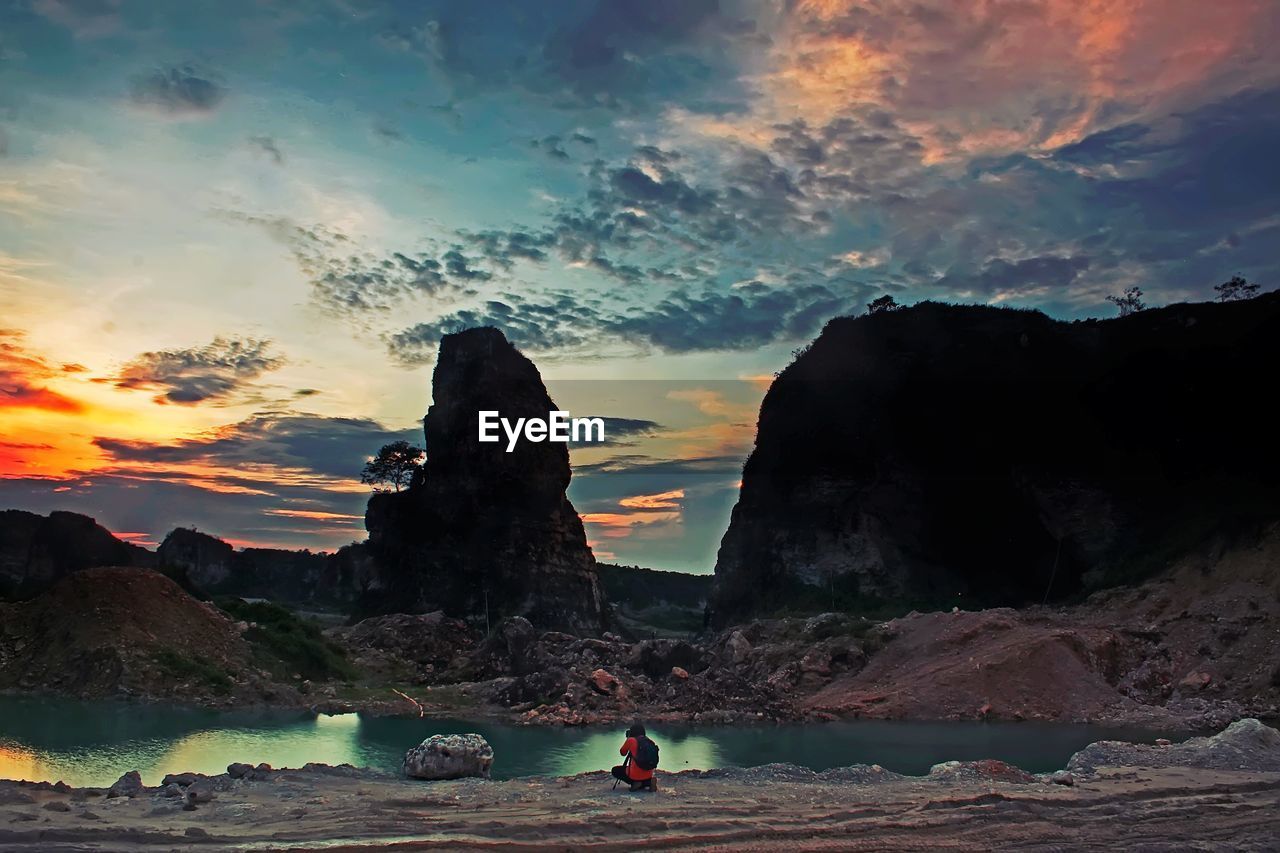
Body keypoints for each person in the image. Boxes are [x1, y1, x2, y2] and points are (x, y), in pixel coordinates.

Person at [611, 722, 658, 792]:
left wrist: (628, 739)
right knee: (643, 775)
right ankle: (649, 782)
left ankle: (635, 782)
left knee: (615, 770)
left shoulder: (631, 740)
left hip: (635, 774)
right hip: (648, 773)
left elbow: (622, 753)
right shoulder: (648, 741)